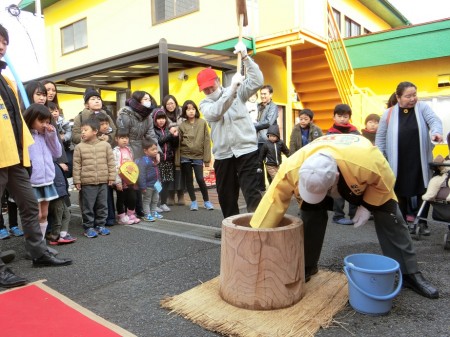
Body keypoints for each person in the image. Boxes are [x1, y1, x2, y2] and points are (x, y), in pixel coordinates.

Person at [250, 134, 439, 299]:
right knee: (309, 213)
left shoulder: (368, 160)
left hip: (358, 171)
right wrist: (256, 237)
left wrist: (367, 205)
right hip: (319, 172)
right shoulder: (290, 167)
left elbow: (386, 181)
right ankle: (307, 266)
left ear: (336, 179)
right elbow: (272, 203)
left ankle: (409, 273)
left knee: (391, 216)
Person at [0, 23, 71, 289]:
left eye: (4, 41)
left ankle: (38, 252)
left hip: (16, 156)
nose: (2, 46)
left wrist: (24, 153)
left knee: (30, 206)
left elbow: (18, 118)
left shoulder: (6, 80)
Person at [197, 41, 263, 220]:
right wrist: (232, 89)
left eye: (211, 85)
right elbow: (216, 111)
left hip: (246, 149)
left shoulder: (239, 91)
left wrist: (247, 58)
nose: (209, 90)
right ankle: (230, 228)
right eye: (205, 89)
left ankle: (257, 226)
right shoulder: (205, 104)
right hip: (223, 154)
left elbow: (258, 81)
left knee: (252, 192)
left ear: (218, 80)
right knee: (226, 196)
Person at [376, 81, 443, 235]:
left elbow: (434, 121)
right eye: (408, 96)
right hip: (398, 160)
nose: (413, 99)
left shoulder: (423, 107)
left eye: (414, 95)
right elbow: (380, 138)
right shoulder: (389, 113)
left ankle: (422, 223)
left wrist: (436, 132)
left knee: (423, 189)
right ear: (398, 97)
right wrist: (381, 157)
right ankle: (403, 223)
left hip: (419, 157)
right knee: (400, 190)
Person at [116, 90, 160, 217]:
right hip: (128, 151)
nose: (148, 101)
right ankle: (128, 211)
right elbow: (123, 136)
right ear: (137, 100)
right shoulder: (125, 114)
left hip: (143, 150)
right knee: (130, 182)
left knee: (141, 179)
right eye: (145, 99)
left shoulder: (148, 116)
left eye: (149, 99)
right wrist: (129, 154)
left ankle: (140, 209)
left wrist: (156, 151)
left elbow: (151, 135)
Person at [23, 103, 62, 243]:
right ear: (31, 118)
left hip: (47, 180)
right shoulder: (24, 136)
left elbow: (57, 153)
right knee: (35, 214)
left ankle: (40, 244)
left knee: (44, 214)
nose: (45, 125)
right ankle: (33, 245)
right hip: (32, 181)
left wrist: (52, 135)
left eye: (47, 122)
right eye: (41, 121)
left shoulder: (47, 135)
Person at [73, 118, 115, 238]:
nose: (83, 133)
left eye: (86, 130)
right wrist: (77, 180)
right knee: (88, 206)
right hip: (87, 182)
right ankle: (88, 226)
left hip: (103, 181)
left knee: (102, 205)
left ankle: (100, 225)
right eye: (82, 130)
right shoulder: (79, 147)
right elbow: (77, 165)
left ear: (95, 131)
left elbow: (111, 162)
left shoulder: (106, 145)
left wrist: (112, 177)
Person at [327, 103, 359, 225]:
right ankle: (338, 215)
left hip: (351, 166)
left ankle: (354, 214)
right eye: (339, 116)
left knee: (353, 190)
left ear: (349, 117)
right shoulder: (330, 134)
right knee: (338, 191)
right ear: (334, 117)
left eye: (345, 116)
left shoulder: (355, 132)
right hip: (337, 166)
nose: (342, 119)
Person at [178, 100, 213, 211]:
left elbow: (207, 141)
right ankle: (193, 202)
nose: (191, 111)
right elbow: (179, 143)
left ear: (196, 110)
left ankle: (206, 201)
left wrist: (207, 158)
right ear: (185, 111)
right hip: (185, 155)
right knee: (189, 179)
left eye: (193, 109)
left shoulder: (202, 123)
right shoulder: (182, 125)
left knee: (200, 178)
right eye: (188, 109)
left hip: (198, 156)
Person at [153, 108, 179, 212]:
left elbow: (175, 145)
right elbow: (159, 141)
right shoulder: (153, 131)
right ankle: (155, 204)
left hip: (168, 160)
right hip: (158, 161)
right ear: (154, 120)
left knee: (166, 183)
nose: (161, 120)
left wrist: (175, 137)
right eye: (158, 118)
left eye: (163, 118)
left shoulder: (169, 130)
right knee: (157, 183)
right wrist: (170, 135)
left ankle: (163, 203)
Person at [112, 129, 140, 225]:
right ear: (116, 139)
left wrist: (134, 178)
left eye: (126, 138)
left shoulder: (129, 149)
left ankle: (130, 214)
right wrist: (118, 181)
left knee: (132, 197)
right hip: (120, 179)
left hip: (130, 179)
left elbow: (132, 164)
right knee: (121, 198)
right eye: (122, 138)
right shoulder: (115, 151)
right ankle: (121, 216)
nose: (125, 140)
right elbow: (115, 167)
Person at [162, 94, 185, 206]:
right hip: (168, 147)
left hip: (182, 147)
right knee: (170, 171)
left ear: (175, 103)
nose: (170, 106)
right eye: (168, 104)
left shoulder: (182, 114)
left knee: (180, 171)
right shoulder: (161, 116)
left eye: (172, 103)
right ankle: (170, 195)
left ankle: (181, 194)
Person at [94, 112, 116, 226]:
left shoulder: (111, 137)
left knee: (108, 195)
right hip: (95, 171)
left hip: (107, 170)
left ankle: (110, 217)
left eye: (106, 123)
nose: (105, 126)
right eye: (102, 124)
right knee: (97, 197)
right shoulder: (91, 138)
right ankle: (97, 219)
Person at [255, 85, 278, 190]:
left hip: (269, 140)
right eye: (261, 94)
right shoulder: (257, 106)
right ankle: (261, 189)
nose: (263, 96)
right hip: (257, 141)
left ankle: (275, 189)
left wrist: (253, 126)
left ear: (270, 94)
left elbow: (269, 122)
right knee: (258, 165)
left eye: (265, 94)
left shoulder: (273, 106)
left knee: (270, 165)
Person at [136, 139, 162, 222]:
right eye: (153, 149)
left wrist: (159, 181)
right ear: (145, 151)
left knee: (155, 199)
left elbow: (157, 172)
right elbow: (141, 175)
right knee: (147, 200)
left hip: (156, 184)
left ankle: (153, 212)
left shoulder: (154, 159)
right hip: (148, 185)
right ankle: (147, 214)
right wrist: (142, 186)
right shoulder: (144, 160)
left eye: (156, 149)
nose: (155, 151)